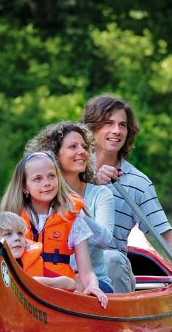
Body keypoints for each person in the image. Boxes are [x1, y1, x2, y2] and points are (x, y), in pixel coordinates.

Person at [80, 94, 172, 294]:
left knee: (110, 258)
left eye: (122, 125)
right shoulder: (69, 168)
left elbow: (165, 234)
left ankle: (114, 319)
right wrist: (90, 177)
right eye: (108, 123)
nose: (116, 131)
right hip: (67, 265)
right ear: (91, 127)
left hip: (110, 271)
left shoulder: (138, 183)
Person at [0, 151, 108, 307]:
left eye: (51, 176)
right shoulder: (10, 221)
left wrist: (92, 286)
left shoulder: (73, 221)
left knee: (76, 282)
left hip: (60, 292)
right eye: (38, 179)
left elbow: (87, 272)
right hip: (19, 291)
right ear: (24, 187)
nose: (47, 183)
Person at [24, 121, 117, 293]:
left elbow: (106, 240)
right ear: (54, 155)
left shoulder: (101, 194)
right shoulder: (38, 198)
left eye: (84, 146)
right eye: (73, 147)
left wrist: (74, 211)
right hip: (42, 281)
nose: (82, 151)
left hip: (90, 282)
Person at [0, 211, 77, 298]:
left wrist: (36, 281)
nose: (17, 238)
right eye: (8, 234)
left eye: (20, 234)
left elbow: (70, 284)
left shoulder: (32, 263)